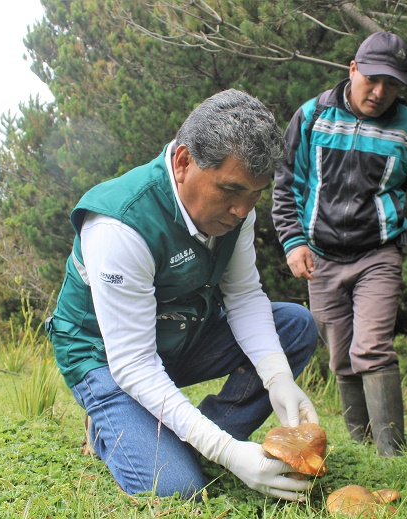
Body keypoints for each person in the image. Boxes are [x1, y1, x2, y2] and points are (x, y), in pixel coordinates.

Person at [46, 89, 320, 501]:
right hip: (106, 355)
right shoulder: (120, 226)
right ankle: (111, 428)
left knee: (294, 326)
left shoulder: (237, 209)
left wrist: (278, 377)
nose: (242, 211)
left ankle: (187, 440)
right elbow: (134, 363)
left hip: (179, 335)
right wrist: (227, 452)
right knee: (177, 487)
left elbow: (244, 296)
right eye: (230, 190)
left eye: (255, 195)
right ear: (183, 162)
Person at [272, 32, 407, 457]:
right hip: (320, 256)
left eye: (391, 84)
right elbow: (286, 184)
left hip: (379, 254)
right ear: (353, 69)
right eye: (372, 79)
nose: (379, 92)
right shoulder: (313, 116)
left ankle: (392, 455)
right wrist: (293, 242)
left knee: (371, 348)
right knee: (341, 358)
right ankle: (362, 448)